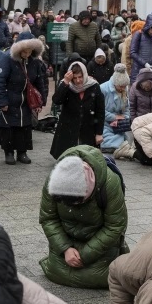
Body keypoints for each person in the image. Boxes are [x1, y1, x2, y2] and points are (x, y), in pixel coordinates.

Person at [39, 146, 127, 289]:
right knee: (58, 272)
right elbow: (48, 218)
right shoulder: (54, 180)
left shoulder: (110, 183)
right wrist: (65, 249)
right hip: (66, 239)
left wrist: (85, 255)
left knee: (102, 277)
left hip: (98, 240)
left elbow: (115, 225)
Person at [0, 31, 48, 165]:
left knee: (25, 126)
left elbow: (40, 80)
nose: (27, 54)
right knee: (9, 126)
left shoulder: (34, 61)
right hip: (10, 97)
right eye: (25, 51)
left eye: (30, 51)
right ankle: (9, 152)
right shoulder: (7, 59)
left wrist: (41, 100)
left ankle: (22, 152)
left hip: (26, 98)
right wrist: (2, 101)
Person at [50, 61, 104, 159]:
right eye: (74, 78)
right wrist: (66, 82)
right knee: (67, 159)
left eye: (80, 77)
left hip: (88, 128)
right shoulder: (67, 85)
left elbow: (100, 111)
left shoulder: (94, 86)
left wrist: (99, 133)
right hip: (68, 127)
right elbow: (56, 101)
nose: (78, 81)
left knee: (88, 159)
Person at [100, 64, 133, 154]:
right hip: (104, 123)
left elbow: (127, 108)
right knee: (111, 141)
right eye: (121, 86)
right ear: (115, 84)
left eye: (124, 86)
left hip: (118, 124)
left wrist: (123, 118)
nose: (123, 89)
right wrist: (114, 117)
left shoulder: (125, 89)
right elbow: (100, 111)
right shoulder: (103, 89)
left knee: (121, 141)